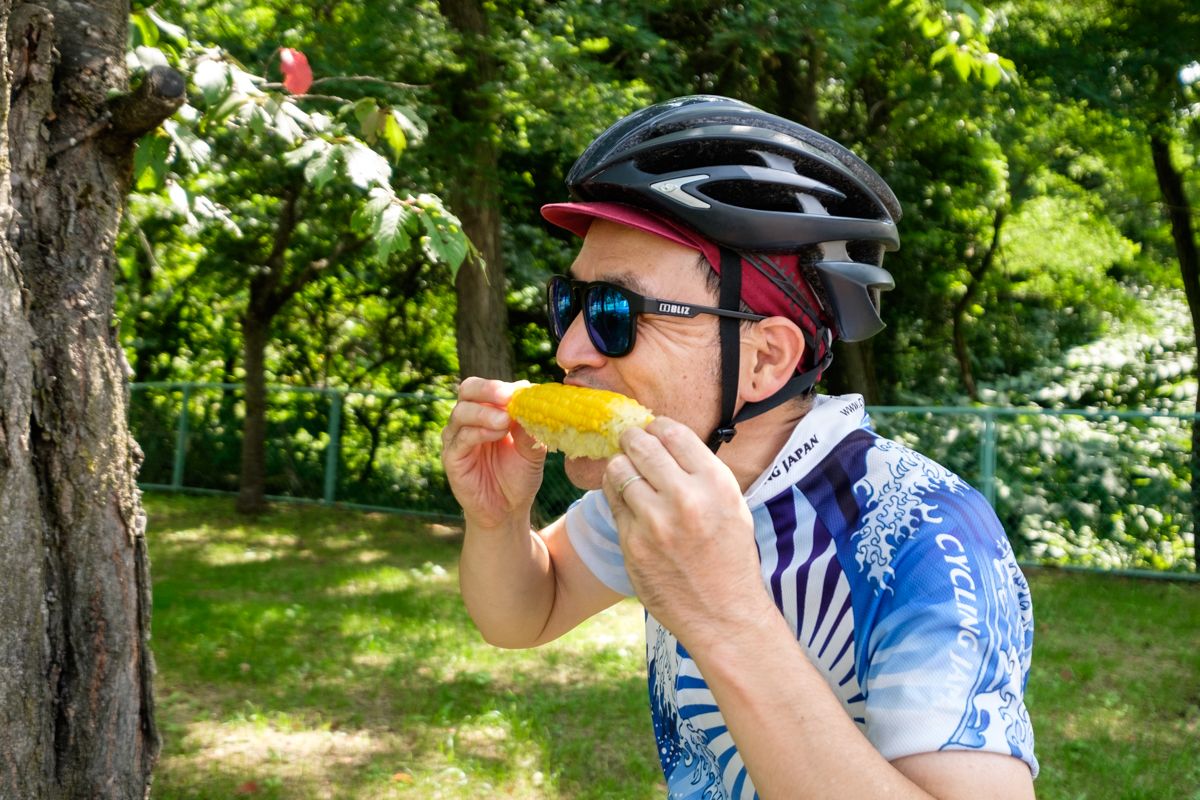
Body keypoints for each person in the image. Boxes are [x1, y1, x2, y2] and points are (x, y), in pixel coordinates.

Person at [441, 95, 1037, 799]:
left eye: (614, 313)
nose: (570, 349)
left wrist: (725, 613)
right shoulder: (654, 489)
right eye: (571, 304)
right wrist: (498, 520)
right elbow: (524, 613)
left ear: (766, 359)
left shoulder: (925, 533)